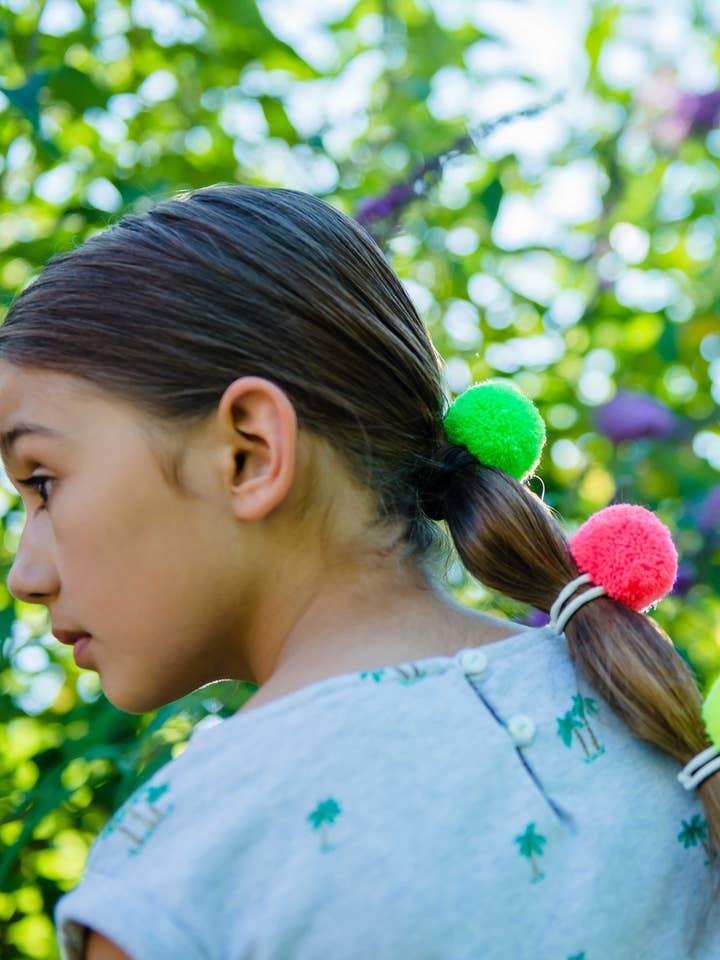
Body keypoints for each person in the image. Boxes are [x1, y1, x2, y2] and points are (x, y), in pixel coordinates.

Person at [0, 184, 718, 960]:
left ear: (249, 454)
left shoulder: (190, 862)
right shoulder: (633, 709)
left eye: (42, 483)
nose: (25, 575)